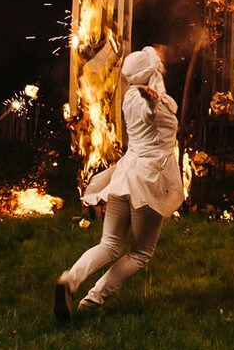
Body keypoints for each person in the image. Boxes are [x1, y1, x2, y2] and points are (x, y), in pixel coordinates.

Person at [55, 47, 185, 319]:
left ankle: (70, 280)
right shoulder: (153, 101)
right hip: (148, 181)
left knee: (110, 243)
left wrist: (152, 98)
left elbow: (150, 105)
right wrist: (152, 101)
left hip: (125, 176)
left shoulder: (128, 97)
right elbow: (153, 111)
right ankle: (93, 300)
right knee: (141, 252)